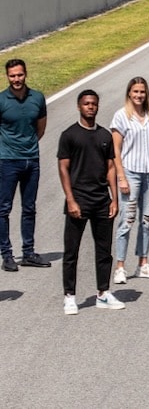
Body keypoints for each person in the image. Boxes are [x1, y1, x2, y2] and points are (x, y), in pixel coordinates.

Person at [57, 89, 125, 314]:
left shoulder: (105, 136)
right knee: (71, 252)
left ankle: (103, 293)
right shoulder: (69, 135)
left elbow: (110, 169)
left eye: (94, 104)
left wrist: (114, 199)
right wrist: (71, 200)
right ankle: (69, 296)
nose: (90, 107)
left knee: (104, 251)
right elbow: (63, 168)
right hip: (78, 200)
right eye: (86, 104)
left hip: (101, 201)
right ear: (79, 106)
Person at [111, 77, 149, 285]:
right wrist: (121, 177)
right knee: (127, 220)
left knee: (148, 219)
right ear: (129, 93)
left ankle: (143, 263)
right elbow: (115, 149)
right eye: (135, 92)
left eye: (142, 92)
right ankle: (120, 266)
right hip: (130, 173)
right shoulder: (121, 116)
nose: (139, 95)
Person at [0, 58, 50, 272]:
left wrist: (27, 147)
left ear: (25, 74)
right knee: (3, 209)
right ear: (7, 76)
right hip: (7, 161)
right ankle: (7, 254)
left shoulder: (37, 98)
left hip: (32, 160)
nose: (16, 79)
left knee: (29, 208)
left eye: (20, 75)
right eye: (12, 76)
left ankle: (28, 252)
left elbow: (40, 128)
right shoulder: (1, 100)